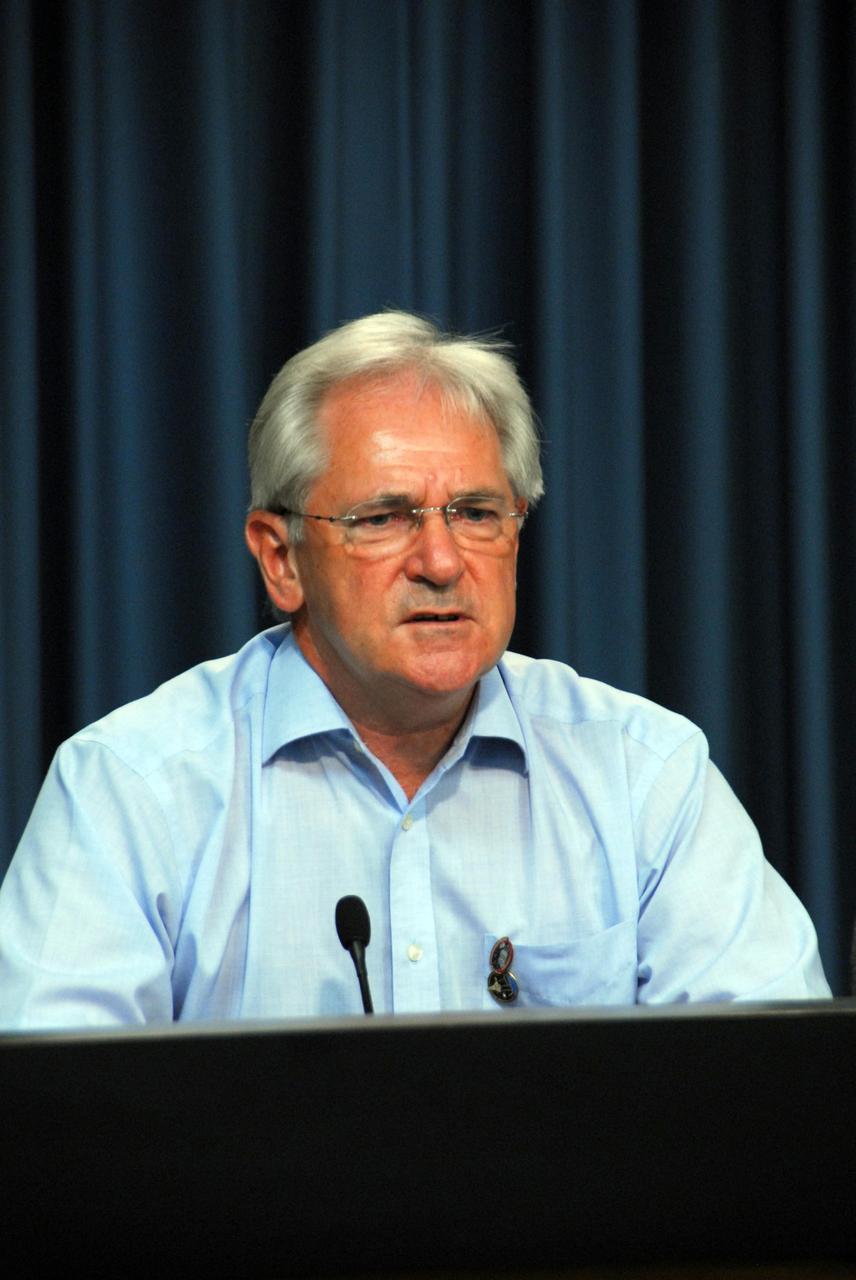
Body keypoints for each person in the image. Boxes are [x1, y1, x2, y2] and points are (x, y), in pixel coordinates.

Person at [0, 312, 830, 1028]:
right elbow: (58, 1121)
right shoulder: (130, 791)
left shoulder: (643, 777)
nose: (440, 560)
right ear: (281, 558)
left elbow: (767, 1091)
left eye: (476, 512)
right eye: (384, 518)